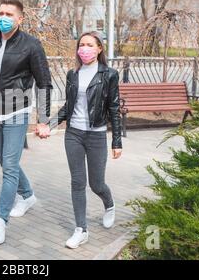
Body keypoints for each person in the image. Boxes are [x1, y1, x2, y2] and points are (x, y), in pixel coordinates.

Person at [0, 0, 52, 245]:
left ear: (20, 19)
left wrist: (44, 120)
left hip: (18, 110)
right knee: (4, 161)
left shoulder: (31, 45)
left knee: (10, 167)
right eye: (0, 13)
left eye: (9, 14)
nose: (3, 17)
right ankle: (27, 195)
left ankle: (0, 221)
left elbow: (44, 82)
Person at [45, 31, 123, 249]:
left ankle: (109, 205)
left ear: (99, 49)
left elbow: (114, 108)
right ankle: (81, 229)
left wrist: (117, 141)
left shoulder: (109, 75)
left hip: (97, 135)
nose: (84, 49)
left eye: (89, 44)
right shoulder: (73, 74)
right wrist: (49, 124)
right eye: (81, 45)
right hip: (74, 135)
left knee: (96, 183)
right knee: (77, 182)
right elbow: (68, 107)